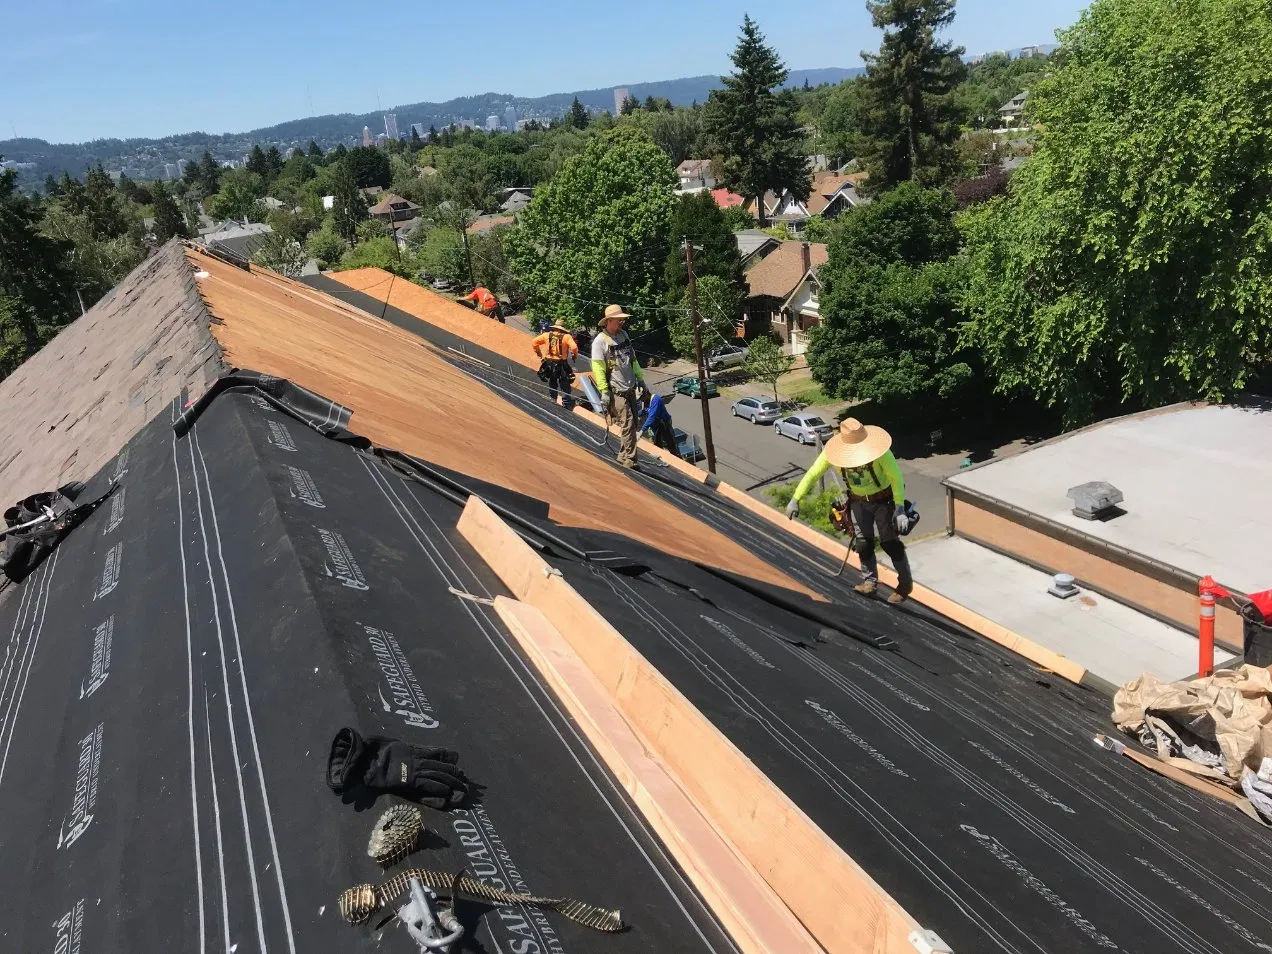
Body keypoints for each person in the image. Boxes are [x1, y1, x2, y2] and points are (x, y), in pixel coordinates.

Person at [786, 418, 913, 603]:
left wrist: (900, 508)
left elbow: (896, 477)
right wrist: (795, 499)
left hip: (883, 501)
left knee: (890, 543)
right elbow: (813, 473)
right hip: (858, 502)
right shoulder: (833, 454)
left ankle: (905, 583)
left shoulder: (879, 453)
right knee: (863, 543)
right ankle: (869, 582)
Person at [591, 304, 647, 470]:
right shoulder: (600, 342)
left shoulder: (624, 335)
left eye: (623, 320)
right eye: (619, 320)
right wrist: (604, 392)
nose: (622, 322)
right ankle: (631, 460)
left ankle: (622, 455)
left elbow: (633, 360)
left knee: (632, 424)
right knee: (628, 424)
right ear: (609, 321)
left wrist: (640, 379)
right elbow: (599, 369)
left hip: (629, 389)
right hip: (616, 391)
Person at [532, 321, 579, 408]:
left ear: (554, 328)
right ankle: (566, 402)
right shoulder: (567, 337)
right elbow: (574, 347)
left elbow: (534, 342)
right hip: (561, 363)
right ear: (562, 329)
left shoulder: (546, 335)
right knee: (565, 382)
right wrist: (574, 355)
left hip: (549, 362)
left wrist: (538, 353)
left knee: (552, 381)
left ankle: (553, 399)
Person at [641, 392, 678, 458]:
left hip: (664, 424)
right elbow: (645, 411)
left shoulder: (656, 400)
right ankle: (659, 457)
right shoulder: (646, 401)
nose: (641, 400)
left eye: (641, 397)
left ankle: (678, 460)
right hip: (656, 426)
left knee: (671, 444)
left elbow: (652, 417)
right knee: (657, 444)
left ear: (646, 394)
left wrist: (642, 430)